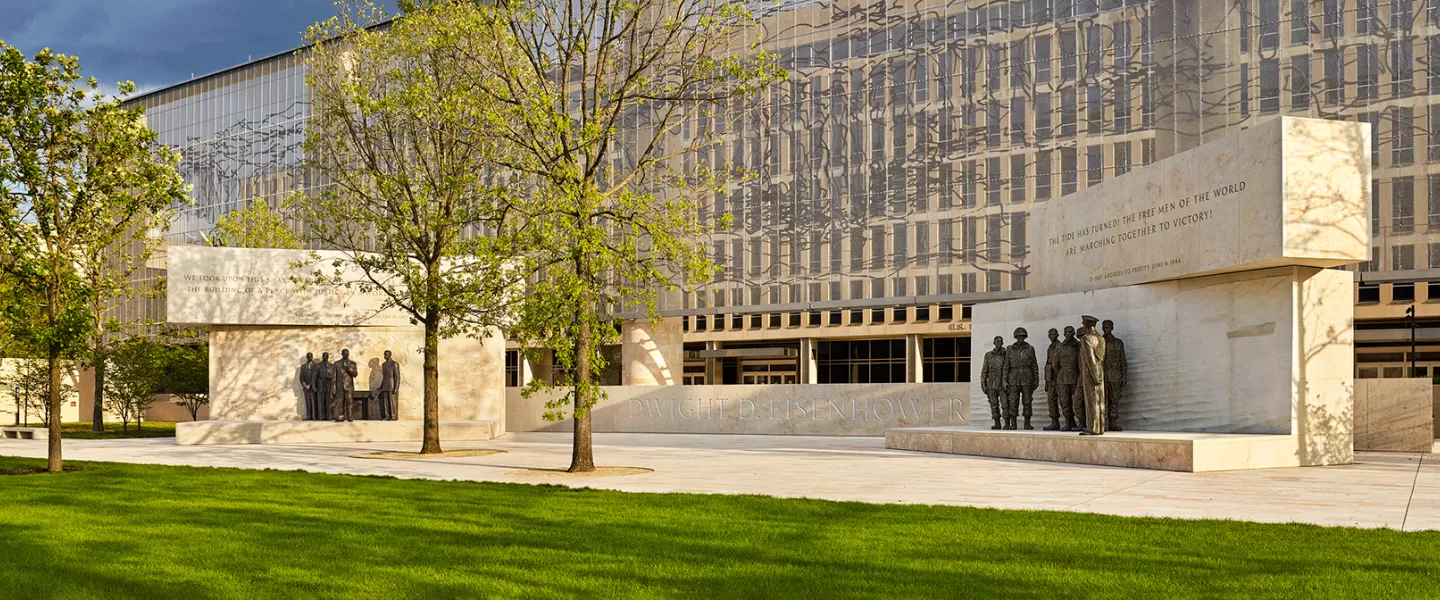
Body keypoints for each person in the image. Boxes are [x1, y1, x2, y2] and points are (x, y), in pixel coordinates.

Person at [1077, 316, 1107, 436]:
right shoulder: (1101, 338)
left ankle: (1092, 428)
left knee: (1091, 400)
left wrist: (1094, 375)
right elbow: (1101, 357)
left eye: (1084, 323)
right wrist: (1098, 374)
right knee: (1099, 400)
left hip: (1091, 371)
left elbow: (1090, 359)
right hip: (1100, 369)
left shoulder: (1086, 338)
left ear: (1087, 324)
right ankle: (1100, 427)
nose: (1083, 325)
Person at [1003, 327, 1039, 430]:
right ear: (1015, 337)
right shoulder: (1010, 349)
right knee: (1013, 401)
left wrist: (1036, 378)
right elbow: (1006, 366)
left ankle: (1027, 423)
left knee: (1027, 401)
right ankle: (1013, 423)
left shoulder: (1030, 349)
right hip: (1013, 378)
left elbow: (1034, 365)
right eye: (1018, 336)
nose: (1020, 338)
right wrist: (1004, 380)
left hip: (1027, 377)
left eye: (1022, 336)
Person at [1054, 326, 1081, 432]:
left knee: (1078, 401)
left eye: (1071, 332)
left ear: (1074, 333)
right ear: (1064, 334)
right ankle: (1068, 423)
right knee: (1064, 401)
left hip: (1076, 376)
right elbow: (1055, 364)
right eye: (1067, 332)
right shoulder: (1059, 346)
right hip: (1063, 377)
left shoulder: (1078, 345)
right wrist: (1062, 372)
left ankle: (1082, 423)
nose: (1069, 334)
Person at [1102, 319, 1127, 432]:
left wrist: (1124, 376)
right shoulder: (1099, 341)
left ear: (1112, 328)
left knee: (1114, 399)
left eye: (1108, 327)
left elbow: (1123, 360)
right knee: (1103, 400)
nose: (1106, 329)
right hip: (1102, 375)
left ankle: (1113, 422)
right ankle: (1103, 423)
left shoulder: (1118, 342)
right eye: (1104, 327)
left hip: (1115, 375)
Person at [980, 336, 1007, 430]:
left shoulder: (1006, 354)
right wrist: (983, 383)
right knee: (993, 404)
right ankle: (997, 423)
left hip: (1002, 384)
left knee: (1005, 404)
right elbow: (984, 370)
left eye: (1000, 341)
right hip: (991, 384)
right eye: (997, 341)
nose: (999, 343)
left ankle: (1007, 423)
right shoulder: (988, 355)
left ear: (1002, 343)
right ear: (994, 343)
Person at [1042, 329, 1063, 431]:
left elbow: (1058, 363)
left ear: (1058, 335)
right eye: (1050, 334)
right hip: (1050, 377)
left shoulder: (1059, 346)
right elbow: (1048, 363)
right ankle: (1054, 422)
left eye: (1054, 334)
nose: (1051, 336)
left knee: (1063, 400)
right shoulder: (1051, 346)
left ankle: (1070, 421)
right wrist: (1047, 380)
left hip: (1058, 377)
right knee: (1051, 400)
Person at [332, 349, 359, 422]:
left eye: (347, 353)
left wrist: (349, 369)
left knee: (349, 401)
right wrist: (333, 386)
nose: (346, 355)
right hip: (339, 385)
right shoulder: (336, 363)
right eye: (344, 353)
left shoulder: (353, 363)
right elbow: (334, 376)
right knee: (340, 401)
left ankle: (350, 416)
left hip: (349, 386)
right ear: (342, 354)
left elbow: (355, 374)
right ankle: (341, 416)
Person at [378, 350, 401, 421]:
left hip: (392, 384)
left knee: (392, 401)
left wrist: (396, 387)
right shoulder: (383, 365)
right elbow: (384, 376)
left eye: (386, 354)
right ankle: (387, 416)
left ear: (390, 355)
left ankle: (393, 416)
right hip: (385, 385)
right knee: (385, 401)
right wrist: (381, 386)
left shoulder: (395, 364)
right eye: (384, 354)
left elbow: (397, 376)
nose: (385, 356)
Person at [313, 352, 335, 421]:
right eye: (324, 356)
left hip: (329, 385)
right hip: (320, 385)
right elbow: (314, 376)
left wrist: (331, 379)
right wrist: (314, 386)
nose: (325, 357)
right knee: (320, 401)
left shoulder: (332, 366)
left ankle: (328, 415)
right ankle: (321, 416)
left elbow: (334, 376)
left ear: (328, 357)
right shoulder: (318, 365)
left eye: (327, 356)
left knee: (328, 402)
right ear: (322, 357)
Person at [300, 353, 319, 420]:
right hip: (306, 388)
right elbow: (301, 378)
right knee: (308, 403)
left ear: (312, 357)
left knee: (314, 402)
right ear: (307, 357)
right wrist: (305, 386)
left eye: (311, 356)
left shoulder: (316, 366)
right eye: (308, 357)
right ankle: (309, 416)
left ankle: (315, 416)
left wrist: (310, 385)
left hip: (313, 387)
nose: (310, 358)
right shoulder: (303, 366)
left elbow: (316, 377)